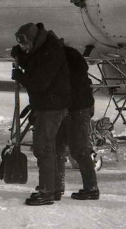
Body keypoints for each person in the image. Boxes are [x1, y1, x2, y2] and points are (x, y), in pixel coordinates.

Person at [11, 23, 71, 205]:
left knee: (43, 148)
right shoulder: (42, 48)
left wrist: (19, 76)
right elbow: (33, 61)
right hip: (49, 104)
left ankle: (46, 192)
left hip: (52, 106)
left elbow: (39, 82)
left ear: (34, 40)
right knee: (51, 147)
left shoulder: (50, 52)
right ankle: (53, 188)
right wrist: (20, 55)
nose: (24, 48)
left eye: (25, 44)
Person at [54, 44, 99, 200]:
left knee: (79, 149)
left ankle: (91, 188)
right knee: (58, 147)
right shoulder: (73, 63)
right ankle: (56, 186)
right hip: (74, 109)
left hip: (76, 110)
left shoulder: (66, 67)